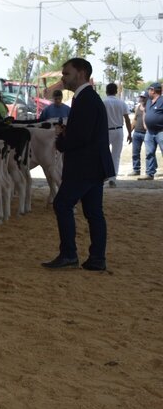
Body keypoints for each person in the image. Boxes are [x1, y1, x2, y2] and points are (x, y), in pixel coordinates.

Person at [42, 58, 113, 271]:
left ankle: (69, 254)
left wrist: (62, 140)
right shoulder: (87, 98)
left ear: (80, 74)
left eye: (66, 74)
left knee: (62, 204)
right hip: (93, 164)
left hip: (84, 165)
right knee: (93, 212)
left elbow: (81, 136)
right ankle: (97, 259)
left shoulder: (85, 99)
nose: (63, 78)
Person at [102, 82, 131, 187]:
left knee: (104, 154)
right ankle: (113, 178)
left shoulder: (103, 102)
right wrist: (129, 133)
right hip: (119, 130)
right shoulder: (121, 103)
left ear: (106, 91)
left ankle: (105, 174)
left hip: (106, 131)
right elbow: (127, 119)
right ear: (116, 91)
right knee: (116, 155)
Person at [140, 82, 163, 180]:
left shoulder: (162, 100)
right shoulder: (149, 100)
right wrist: (145, 123)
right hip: (149, 132)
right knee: (149, 153)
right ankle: (150, 173)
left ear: (153, 90)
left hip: (161, 131)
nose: (148, 91)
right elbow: (145, 111)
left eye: (149, 89)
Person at [130, 92, 148, 177]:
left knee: (149, 153)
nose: (142, 99)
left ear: (147, 98)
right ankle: (136, 169)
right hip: (136, 133)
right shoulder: (137, 107)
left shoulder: (149, 108)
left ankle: (149, 171)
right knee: (135, 153)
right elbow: (135, 120)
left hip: (147, 134)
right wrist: (130, 132)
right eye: (141, 97)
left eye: (144, 97)